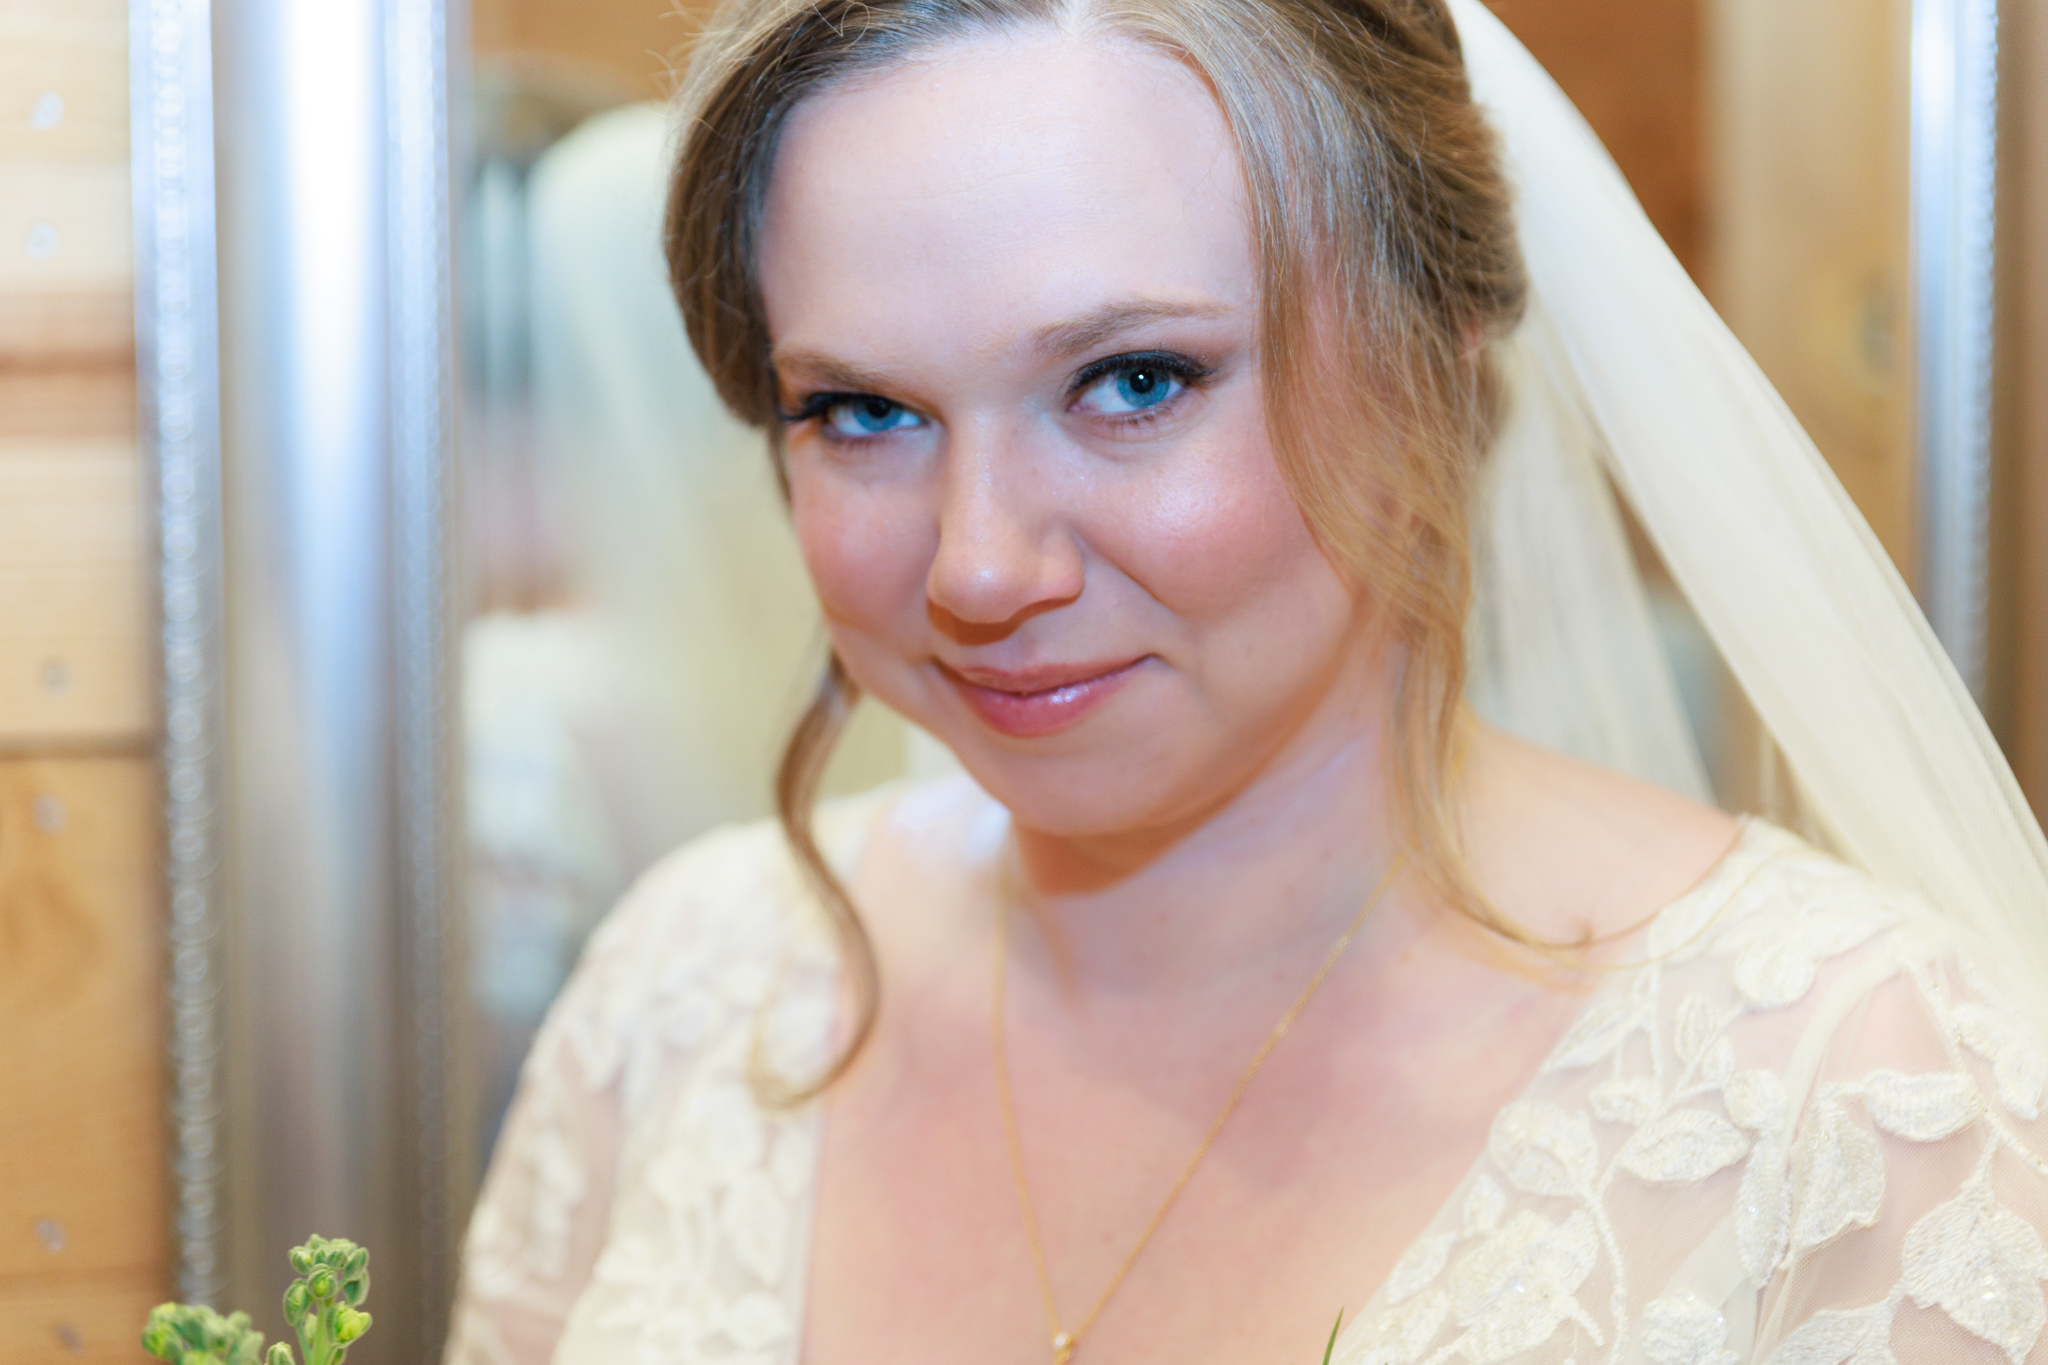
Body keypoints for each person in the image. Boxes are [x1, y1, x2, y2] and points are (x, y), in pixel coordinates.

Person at [442, 2, 2048, 1363]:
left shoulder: (1866, 1100)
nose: (979, 569)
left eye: (1133, 380)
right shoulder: (676, 993)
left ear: (1437, 357)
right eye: (862, 411)